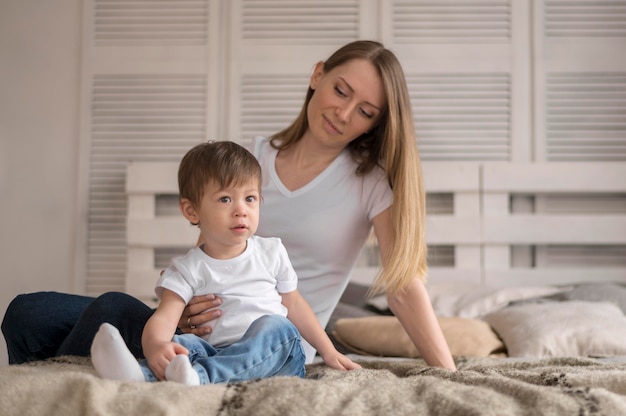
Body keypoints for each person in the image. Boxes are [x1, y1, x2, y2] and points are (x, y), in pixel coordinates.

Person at [2, 40, 456, 371]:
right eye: (341, 90)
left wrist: (449, 373)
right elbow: (209, 254)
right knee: (27, 312)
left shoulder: (370, 183)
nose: (344, 112)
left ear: (377, 123)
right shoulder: (248, 161)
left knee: (108, 310)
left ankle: (83, 378)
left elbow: (403, 287)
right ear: (317, 75)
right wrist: (181, 310)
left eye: (366, 110)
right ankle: (84, 379)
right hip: (200, 331)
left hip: (270, 342)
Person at [90, 141, 358, 385]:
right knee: (185, 343)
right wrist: (156, 347)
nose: (241, 209)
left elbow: (295, 304)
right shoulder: (187, 269)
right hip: (217, 352)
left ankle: (201, 377)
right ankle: (138, 374)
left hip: (279, 358)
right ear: (192, 210)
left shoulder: (271, 251)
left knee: (277, 326)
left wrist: (328, 351)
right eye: (225, 199)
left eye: (250, 198)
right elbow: (164, 317)